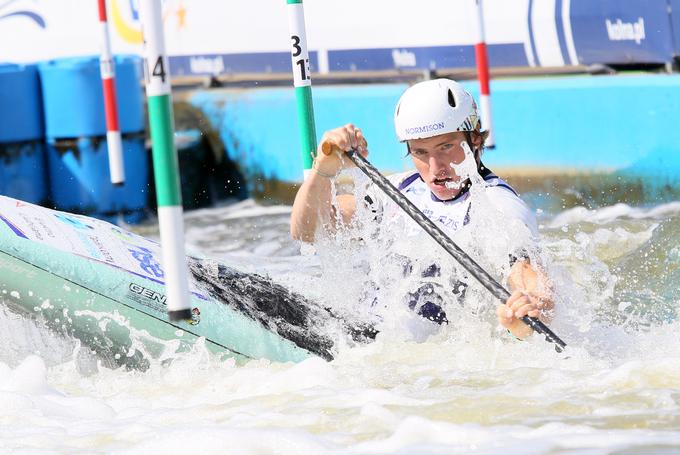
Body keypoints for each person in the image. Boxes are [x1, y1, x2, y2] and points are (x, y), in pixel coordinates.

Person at [290, 78, 554, 340]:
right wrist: (323, 170)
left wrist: (530, 309)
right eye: (420, 152)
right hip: (364, 335)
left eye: (446, 147)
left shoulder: (498, 205)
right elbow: (308, 231)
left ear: (474, 138)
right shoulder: (397, 190)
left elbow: (528, 274)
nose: (435, 166)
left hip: (417, 361)